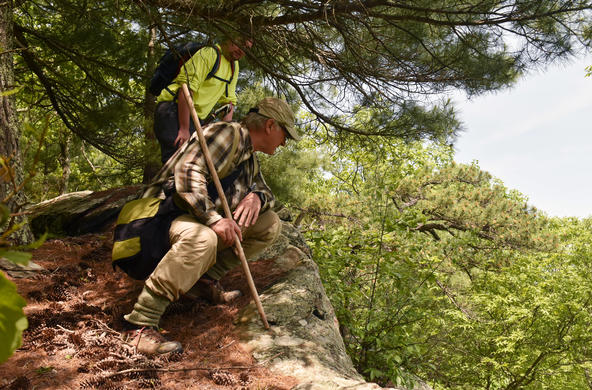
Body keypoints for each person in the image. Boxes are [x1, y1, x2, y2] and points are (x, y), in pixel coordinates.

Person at [121, 97, 300, 355]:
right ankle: (139, 325)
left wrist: (256, 197)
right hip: (161, 216)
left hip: (192, 217)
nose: (284, 142)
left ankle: (203, 282)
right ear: (271, 125)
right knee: (203, 239)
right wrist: (215, 219)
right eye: (285, 134)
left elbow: (265, 191)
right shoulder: (227, 133)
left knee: (269, 224)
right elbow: (188, 172)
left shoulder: (249, 157)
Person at [154, 36, 253, 164]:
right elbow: (186, 89)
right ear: (228, 36)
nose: (242, 51)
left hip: (195, 120)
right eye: (240, 43)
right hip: (173, 109)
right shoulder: (209, 53)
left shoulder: (234, 67)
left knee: (192, 164)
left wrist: (228, 136)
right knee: (176, 161)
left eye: (247, 49)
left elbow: (229, 101)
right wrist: (184, 129)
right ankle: (167, 183)